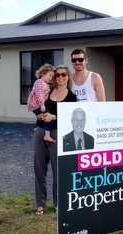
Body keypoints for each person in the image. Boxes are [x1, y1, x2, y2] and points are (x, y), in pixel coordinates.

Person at [33, 65, 77, 215]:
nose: (60, 78)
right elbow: (35, 101)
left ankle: (59, 203)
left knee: (58, 170)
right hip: (40, 131)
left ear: (68, 76)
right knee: (39, 169)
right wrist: (38, 114)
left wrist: (54, 117)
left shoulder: (71, 97)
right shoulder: (47, 90)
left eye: (63, 75)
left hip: (58, 134)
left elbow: (72, 118)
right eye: (57, 75)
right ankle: (40, 204)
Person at [27, 64, 55, 143]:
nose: (51, 78)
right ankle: (47, 135)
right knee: (47, 117)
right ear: (43, 73)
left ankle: (38, 126)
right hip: (37, 104)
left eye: (52, 76)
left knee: (41, 115)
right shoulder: (39, 82)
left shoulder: (44, 83)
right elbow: (39, 94)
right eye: (50, 75)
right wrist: (42, 104)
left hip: (37, 104)